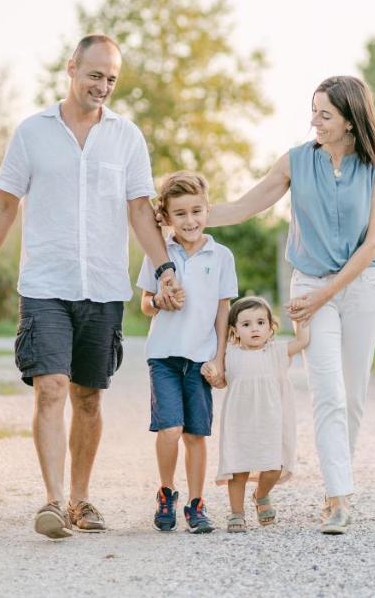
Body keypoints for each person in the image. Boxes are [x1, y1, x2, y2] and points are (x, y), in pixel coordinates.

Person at [0, 34, 183, 540]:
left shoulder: (127, 137)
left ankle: (83, 499)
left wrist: (165, 268)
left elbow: (139, 211)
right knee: (50, 388)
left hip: (103, 287)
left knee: (88, 397)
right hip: (46, 284)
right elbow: (3, 205)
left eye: (111, 79)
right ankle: (54, 502)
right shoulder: (32, 133)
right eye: (94, 75)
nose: (102, 86)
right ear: (71, 68)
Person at [208, 75, 375, 534]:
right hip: (309, 285)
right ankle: (340, 500)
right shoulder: (295, 162)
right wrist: (182, 214)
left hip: (361, 287)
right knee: (328, 392)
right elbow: (243, 207)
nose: (314, 121)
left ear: (350, 120)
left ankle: (335, 487)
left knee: (353, 396)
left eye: (325, 114)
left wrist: (327, 294)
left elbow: (372, 245)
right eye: (313, 110)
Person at [135, 171, 237, 534]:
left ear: (207, 210)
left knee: (196, 434)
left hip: (201, 357)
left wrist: (220, 358)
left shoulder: (221, 256)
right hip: (163, 354)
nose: (190, 221)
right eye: (180, 213)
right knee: (170, 429)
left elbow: (223, 310)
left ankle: (196, 503)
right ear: (165, 215)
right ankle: (167, 493)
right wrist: (158, 301)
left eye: (196, 211)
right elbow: (145, 304)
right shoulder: (159, 253)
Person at [214, 296, 308, 533]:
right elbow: (221, 381)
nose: (254, 328)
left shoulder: (277, 351)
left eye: (260, 322)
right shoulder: (231, 354)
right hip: (240, 422)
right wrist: (210, 372)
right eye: (246, 325)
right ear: (234, 331)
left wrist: (300, 315)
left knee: (274, 466)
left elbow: (304, 340)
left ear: (270, 327)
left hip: (271, 421)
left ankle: (261, 495)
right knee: (238, 468)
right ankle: (236, 512)